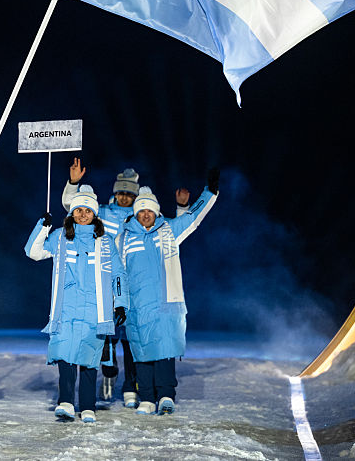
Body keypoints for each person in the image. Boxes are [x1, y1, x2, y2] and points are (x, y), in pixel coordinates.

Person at [61, 158, 190, 408]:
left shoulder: (139, 217)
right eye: (119, 192)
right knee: (107, 337)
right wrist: (74, 183)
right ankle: (109, 376)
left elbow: (172, 232)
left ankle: (132, 386)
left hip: (136, 287)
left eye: (128, 194)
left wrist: (181, 210)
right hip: (105, 280)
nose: (123, 197)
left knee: (133, 338)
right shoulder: (105, 213)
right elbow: (74, 205)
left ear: (135, 196)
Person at [25, 185, 127, 424]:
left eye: (87, 210)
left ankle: (88, 406)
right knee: (66, 356)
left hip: (96, 309)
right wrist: (42, 227)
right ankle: (66, 402)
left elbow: (118, 274)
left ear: (94, 214)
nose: (82, 214)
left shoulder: (105, 242)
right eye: (78, 209)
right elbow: (33, 252)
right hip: (66, 308)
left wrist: (121, 302)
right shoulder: (60, 236)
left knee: (89, 358)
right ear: (72, 213)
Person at [121, 169, 219, 415]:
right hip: (137, 306)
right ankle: (146, 397)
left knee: (164, 351)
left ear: (156, 212)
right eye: (141, 211)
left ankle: (166, 395)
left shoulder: (169, 231)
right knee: (142, 353)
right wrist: (119, 303)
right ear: (136, 213)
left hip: (165, 304)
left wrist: (210, 192)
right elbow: (116, 275)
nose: (145, 215)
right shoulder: (122, 239)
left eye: (149, 211)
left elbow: (194, 217)